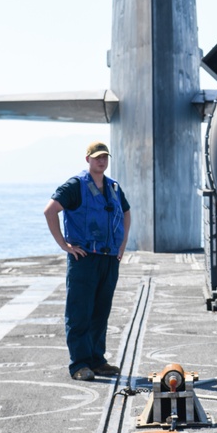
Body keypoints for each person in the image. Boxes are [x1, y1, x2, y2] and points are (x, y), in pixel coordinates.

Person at [43, 141, 132, 382]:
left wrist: (121, 245)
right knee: (79, 312)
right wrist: (65, 245)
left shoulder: (113, 186)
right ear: (88, 160)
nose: (101, 161)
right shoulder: (76, 185)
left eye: (105, 157)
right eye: (97, 157)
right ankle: (79, 364)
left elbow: (125, 212)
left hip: (108, 259)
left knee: (100, 312)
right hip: (84, 259)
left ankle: (97, 360)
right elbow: (50, 211)